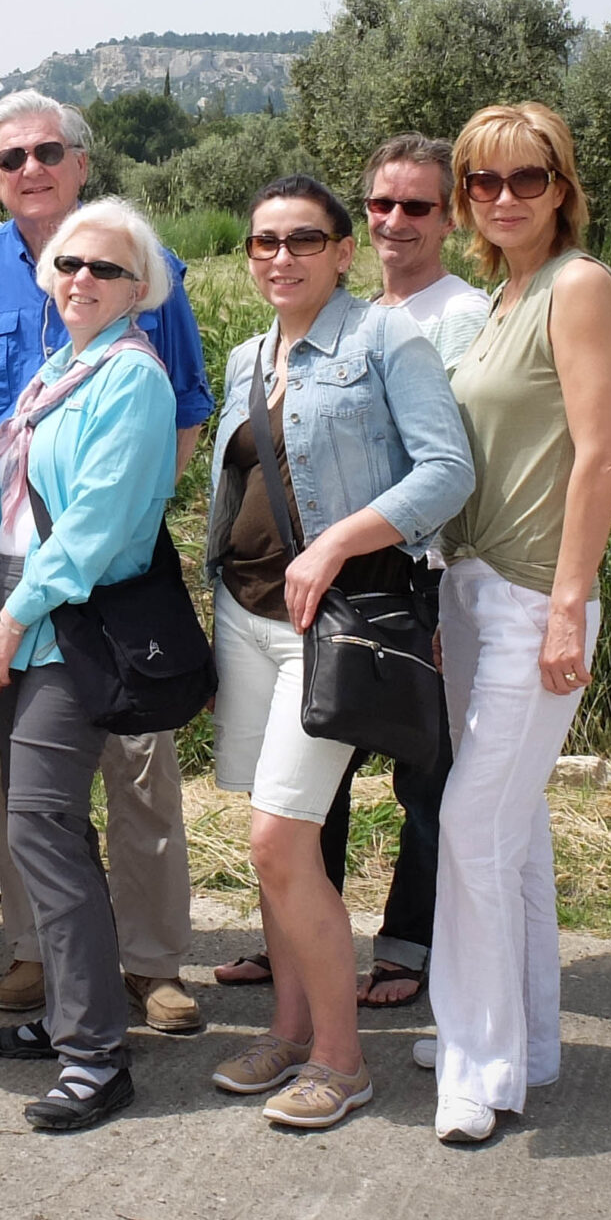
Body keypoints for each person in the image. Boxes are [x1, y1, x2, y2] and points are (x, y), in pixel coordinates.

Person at [0, 91, 214, 1033]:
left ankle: (150, 962)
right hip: (1, 552)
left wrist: (120, 528)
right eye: (11, 158)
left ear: (82, 161)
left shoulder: (142, 260)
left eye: (48, 151)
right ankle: (37, 948)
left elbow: (183, 412)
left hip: (105, 570)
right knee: (22, 772)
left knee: (136, 764)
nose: (31, 169)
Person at [200, 176, 472, 1129]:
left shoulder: (385, 340)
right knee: (286, 846)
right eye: (264, 242)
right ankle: (288, 1030)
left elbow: (447, 471)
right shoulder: (247, 356)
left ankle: (341, 1061)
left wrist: (336, 543)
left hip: (333, 626)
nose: (282, 258)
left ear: (344, 251)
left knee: (278, 839)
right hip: (249, 619)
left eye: (304, 240)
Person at [418, 102, 611, 1145]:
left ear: (562, 187)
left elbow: (597, 455)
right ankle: (524, 1040)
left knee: (471, 824)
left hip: (534, 597)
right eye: (483, 181)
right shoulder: (504, 296)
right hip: (472, 590)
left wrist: (567, 609)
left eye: (527, 178)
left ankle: (477, 1065)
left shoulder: (578, 286)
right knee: (514, 832)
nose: (504, 198)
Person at [0, 198, 183, 1132]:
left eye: (106, 269)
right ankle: (71, 1013)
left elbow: (94, 525)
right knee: (40, 831)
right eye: (68, 265)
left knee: (41, 827)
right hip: (14, 615)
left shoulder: (132, 379)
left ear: (140, 291)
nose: (82, 280)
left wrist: (11, 617)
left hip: (67, 627)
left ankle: (95, 1056)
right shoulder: (55, 371)